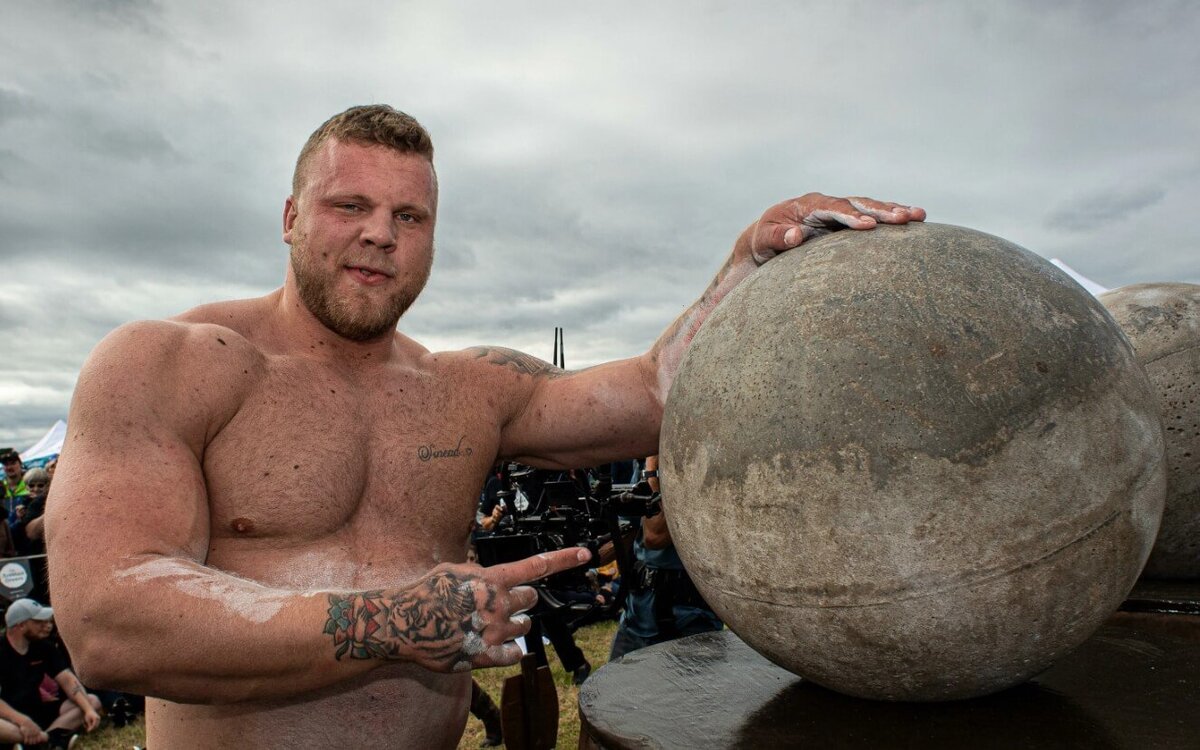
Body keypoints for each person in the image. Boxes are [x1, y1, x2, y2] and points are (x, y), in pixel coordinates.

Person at [46, 104, 924, 749]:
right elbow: (109, 623)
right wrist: (391, 622)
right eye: (349, 206)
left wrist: (747, 265)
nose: (380, 235)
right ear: (289, 219)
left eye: (410, 216)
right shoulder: (169, 364)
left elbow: (661, 394)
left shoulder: (466, 389)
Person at [610, 455, 723, 659]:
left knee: (692, 690)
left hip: (688, 619)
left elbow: (655, 536)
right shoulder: (642, 464)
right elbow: (625, 531)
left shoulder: (692, 459)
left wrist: (653, 465)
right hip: (637, 614)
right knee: (612, 689)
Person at [0, 599, 102, 749]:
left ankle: (43, 740)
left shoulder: (43, 646)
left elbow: (66, 678)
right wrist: (23, 721)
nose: (46, 625)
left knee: (92, 701)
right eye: (38, 621)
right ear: (21, 625)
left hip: (38, 711)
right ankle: (50, 739)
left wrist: (87, 710)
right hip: (9, 717)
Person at [1, 448, 27, 526]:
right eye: (6, 464)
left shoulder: (31, 484)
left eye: (13, 463)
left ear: (20, 464)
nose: (9, 467)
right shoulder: (1, 486)